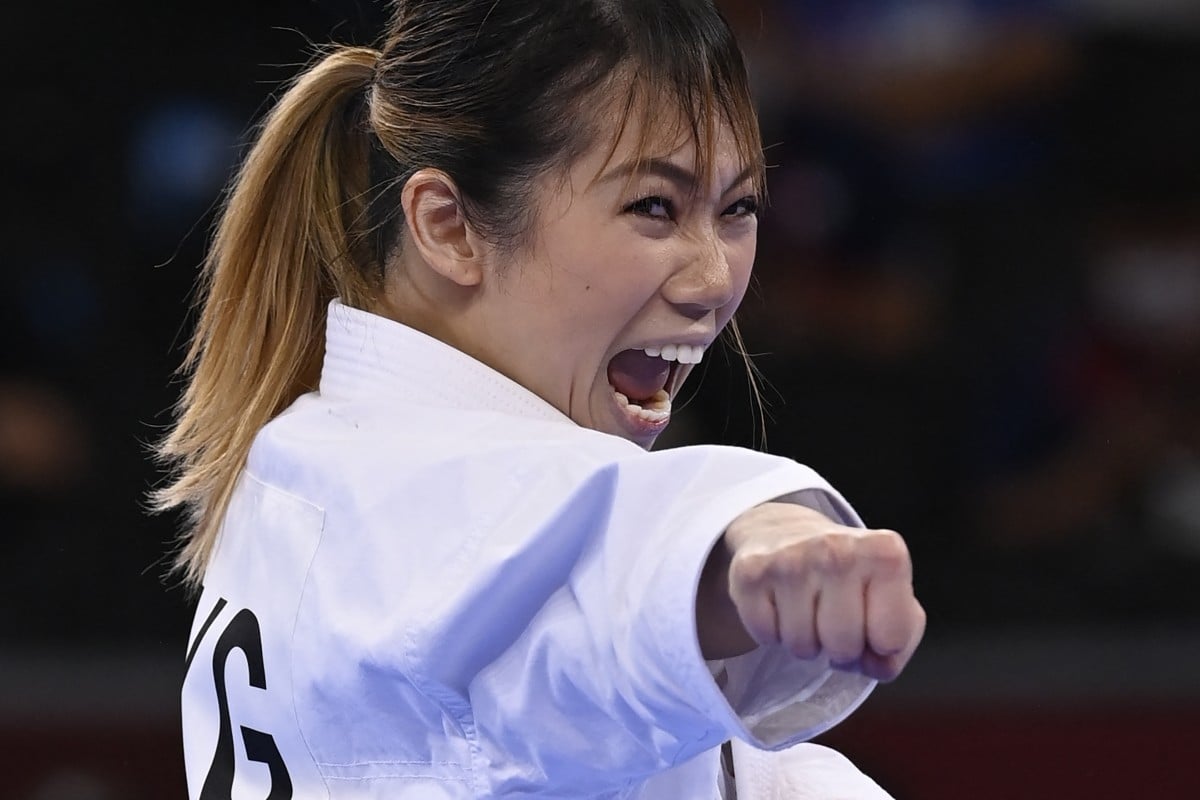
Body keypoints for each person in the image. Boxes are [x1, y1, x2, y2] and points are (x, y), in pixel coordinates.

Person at [154, 1, 925, 797]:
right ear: (448, 226)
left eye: (738, 209)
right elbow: (607, 551)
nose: (714, 280)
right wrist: (756, 543)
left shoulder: (318, 466)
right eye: (653, 206)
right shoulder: (429, 501)